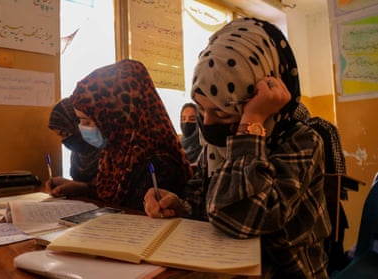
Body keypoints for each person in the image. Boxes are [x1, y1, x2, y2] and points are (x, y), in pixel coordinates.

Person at [143, 17, 331, 278]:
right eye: (201, 109)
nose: (206, 123)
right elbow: (206, 201)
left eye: (221, 113)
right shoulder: (216, 142)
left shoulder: (302, 140)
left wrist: (251, 124)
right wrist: (181, 206)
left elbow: (242, 217)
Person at [46, 59, 193, 211]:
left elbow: (140, 213)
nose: (82, 129)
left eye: (87, 122)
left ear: (115, 117)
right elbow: (111, 196)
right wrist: (80, 188)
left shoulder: (158, 161)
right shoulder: (116, 150)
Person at [47, 102, 101, 199]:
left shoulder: (109, 152)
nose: (63, 141)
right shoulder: (77, 155)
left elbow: (110, 194)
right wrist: (66, 183)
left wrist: (81, 189)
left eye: (65, 133)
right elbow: (84, 185)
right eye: (59, 136)